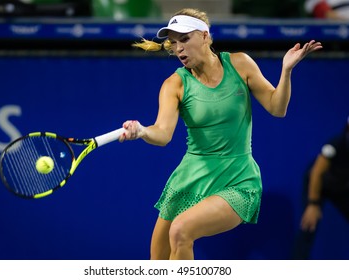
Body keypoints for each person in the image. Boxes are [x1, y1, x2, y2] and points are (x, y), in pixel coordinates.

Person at [119, 8, 323, 260]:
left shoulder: (240, 64)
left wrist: (286, 71)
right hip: (189, 180)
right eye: (174, 42)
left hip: (238, 179)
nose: (179, 48)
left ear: (205, 36)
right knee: (157, 263)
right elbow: (162, 133)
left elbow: (277, 107)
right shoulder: (175, 84)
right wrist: (141, 131)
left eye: (185, 39)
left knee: (181, 230)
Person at [292, 116, 349, 259]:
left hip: (341, 188)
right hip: (317, 184)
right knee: (309, 225)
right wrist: (313, 203)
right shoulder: (335, 145)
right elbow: (317, 173)